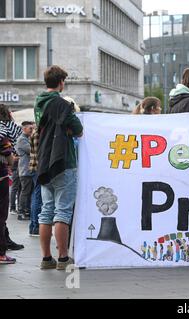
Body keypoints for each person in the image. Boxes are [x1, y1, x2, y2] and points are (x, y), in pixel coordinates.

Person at [35, 65, 83, 270]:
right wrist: (70, 131)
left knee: (46, 211)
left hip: (44, 163)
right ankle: (63, 258)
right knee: (62, 211)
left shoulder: (38, 104)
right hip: (63, 162)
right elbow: (79, 130)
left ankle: (46, 258)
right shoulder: (62, 104)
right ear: (61, 82)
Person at [0, 104, 25, 251]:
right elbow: (6, 148)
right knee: (2, 212)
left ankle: (5, 240)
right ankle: (2, 250)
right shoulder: (4, 129)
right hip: (1, 174)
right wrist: (10, 156)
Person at [0, 135, 16, 264]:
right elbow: (10, 160)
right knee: (1, 217)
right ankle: (1, 254)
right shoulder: (1, 137)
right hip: (0, 180)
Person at [16, 121, 34, 222]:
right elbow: (31, 150)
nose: (32, 130)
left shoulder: (26, 138)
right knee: (25, 192)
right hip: (25, 170)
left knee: (28, 191)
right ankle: (21, 212)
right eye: (30, 128)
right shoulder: (22, 139)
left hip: (27, 170)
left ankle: (26, 211)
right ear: (24, 129)